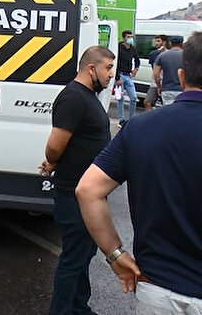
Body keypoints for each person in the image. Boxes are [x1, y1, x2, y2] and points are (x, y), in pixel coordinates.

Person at [76, 31, 202, 315]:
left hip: (155, 289)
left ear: (181, 77)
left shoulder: (140, 128)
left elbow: (88, 190)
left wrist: (115, 255)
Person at [39, 45, 115, 315]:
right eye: (107, 68)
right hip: (74, 194)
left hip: (88, 194)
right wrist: (52, 161)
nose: (111, 75)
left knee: (83, 255)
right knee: (74, 258)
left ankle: (78, 308)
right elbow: (55, 146)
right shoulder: (73, 98)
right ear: (91, 68)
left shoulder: (87, 96)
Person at [115, 30, 140, 127]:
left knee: (133, 98)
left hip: (128, 75)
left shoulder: (132, 49)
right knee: (119, 98)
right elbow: (115, 63)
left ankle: (131, 119)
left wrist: (135, 69)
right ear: (124, 38)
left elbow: (137, 60)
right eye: (128, 37)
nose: (130, 38)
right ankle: (121, 119)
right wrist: (117, 78)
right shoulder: (118, 47)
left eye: (131, 37)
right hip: (120, 75)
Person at [153, 36, 184, 105]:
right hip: (183, 90)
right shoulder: (187, 56)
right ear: (182, 44)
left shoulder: (162, 56)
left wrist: (159, 87)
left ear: (170, 44)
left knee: (168, 113)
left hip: (167, 89)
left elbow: (156, 74)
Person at [143, 35, 167, 110]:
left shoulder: (168, 54)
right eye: (155, 41)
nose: (156, 43)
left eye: (158, 41)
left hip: (165, 82)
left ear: (164, 42)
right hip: (155, 83)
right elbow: (153, 69)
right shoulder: (153, 54)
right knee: (147, 102)